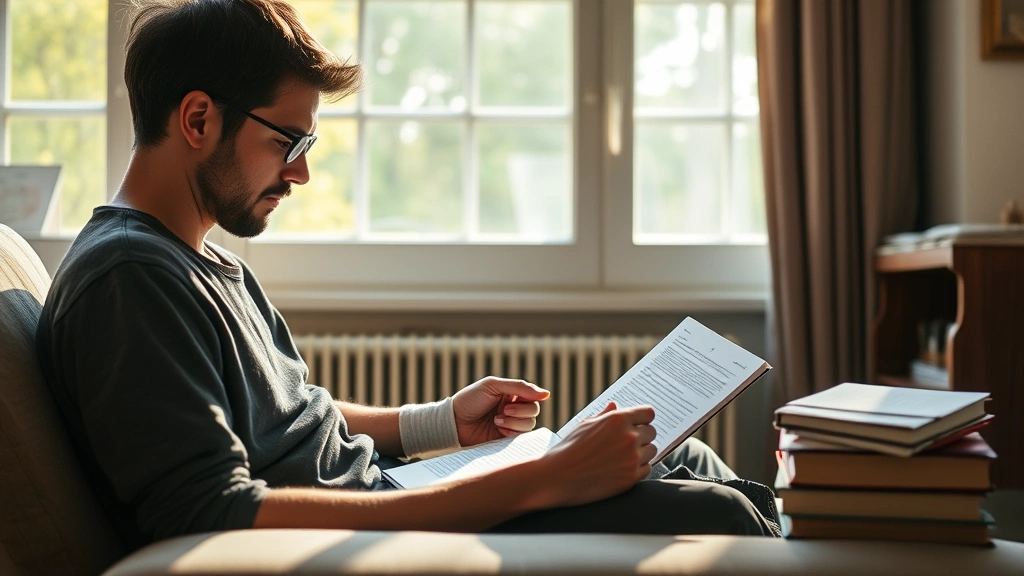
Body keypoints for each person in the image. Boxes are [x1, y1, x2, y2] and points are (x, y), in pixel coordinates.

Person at [35, 0, 778, 551]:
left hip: (391, 486)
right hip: (379, 525)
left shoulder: (198, 259)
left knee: (678, 452)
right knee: (721, 514)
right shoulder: (129, 281)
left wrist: (441, 422)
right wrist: (538, 481)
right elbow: (213, 512)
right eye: (287, 140)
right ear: (198, 120)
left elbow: (295, 420)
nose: (300, 172)